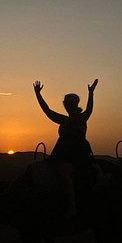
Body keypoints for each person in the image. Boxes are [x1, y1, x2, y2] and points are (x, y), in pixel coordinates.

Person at [33, 78, 98, 218]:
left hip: (77, 154)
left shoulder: (81, 118)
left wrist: (91, 93)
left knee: (64, 172)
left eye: (70, 103)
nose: (68, 105)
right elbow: (47, 110)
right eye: (66, 103)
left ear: (75, 104)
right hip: (61, 152)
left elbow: (90, 109)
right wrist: (38, 94)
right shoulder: (63, 120)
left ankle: (72, 206)